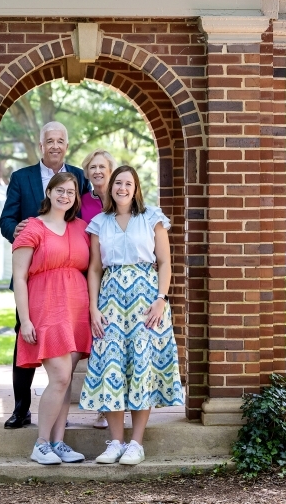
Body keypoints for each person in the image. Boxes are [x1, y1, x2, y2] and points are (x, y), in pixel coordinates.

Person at [80, 165, 183, 465]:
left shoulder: (152, 218)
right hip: (111, 301)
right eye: (118, 183)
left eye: (128, 183)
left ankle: (136, 443)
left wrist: (161, 300)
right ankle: (115, 442)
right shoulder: (100, 222)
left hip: (146, 302)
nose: (122, 188)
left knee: (142, 367)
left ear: (136, 188)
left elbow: (164, 262)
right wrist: (93, 307)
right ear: (110, 188)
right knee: (111, 367)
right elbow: (96, 268)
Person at [0, 122, 89, 429]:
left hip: (68, 275)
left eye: (60, 141)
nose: (55, 145)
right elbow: (7, 219)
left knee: (66, 348)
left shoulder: (78, 176)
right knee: (26, 335)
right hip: (34, 275)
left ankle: (59, 424)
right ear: (41, 145)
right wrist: (24, 237)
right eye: (49, 141)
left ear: (66, 145)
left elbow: (86, 215)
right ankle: (21, 407)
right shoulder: (21, 178)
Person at [12, 173, 92, 464]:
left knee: (66, 379)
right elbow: (19, 277)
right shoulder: (32, 228)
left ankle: (59, 443)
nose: (65, 196)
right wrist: (26, 320)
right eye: (60, 190)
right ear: (49, 191)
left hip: (76, 310)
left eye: (71, 192)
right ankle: (41, 443)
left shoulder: (82, 227)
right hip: (45, 308)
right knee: (59, 376)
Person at [80, 148, 116, 430]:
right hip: (89, 275)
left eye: (102, 167)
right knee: (100, 338)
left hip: (118, 276)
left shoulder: (123, 196)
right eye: (92, 167)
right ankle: (104, 405)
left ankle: (115, 405)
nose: (97, 172)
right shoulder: (82, 202)